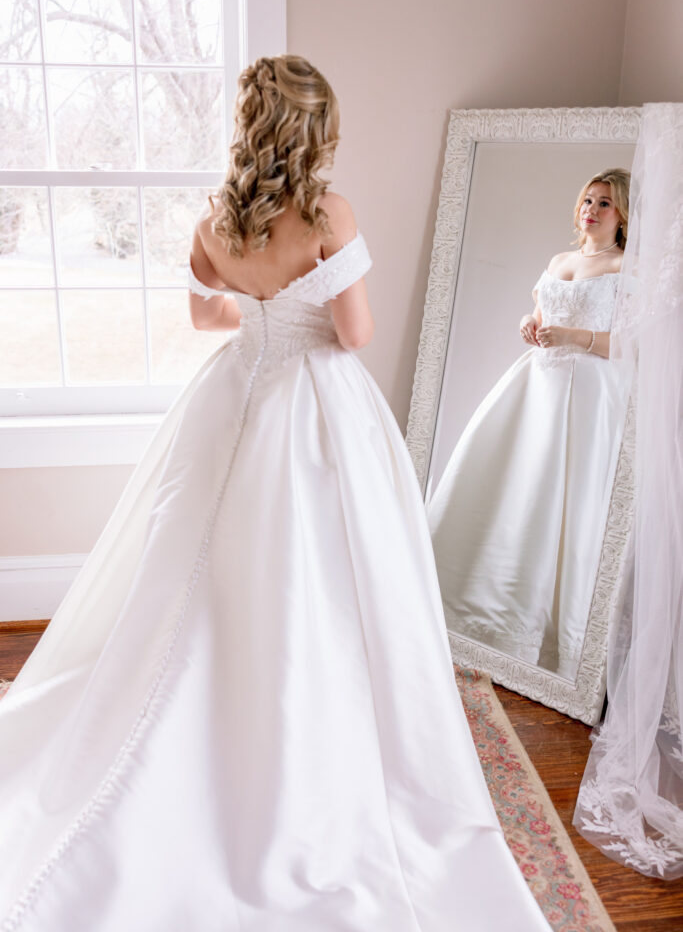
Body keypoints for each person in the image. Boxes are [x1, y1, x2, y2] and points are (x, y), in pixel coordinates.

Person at [0, 55, 550, 932]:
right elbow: (354, 331)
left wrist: (259, 307)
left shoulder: (217, 220)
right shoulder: (327, 213)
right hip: (315, 411)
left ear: (250, 122)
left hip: (232, 395)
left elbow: (206, 317)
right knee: (319, 577)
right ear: (316, 128)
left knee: (201, 570)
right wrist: (302, 298)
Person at [428, 168, 631, 680]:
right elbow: (541, 313)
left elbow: (629, 344)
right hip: (536, 386)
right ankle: (477, 605)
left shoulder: (626, 267)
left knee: (560, 497)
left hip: (584, 394)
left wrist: (574, 338)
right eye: (588, 198)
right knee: (510, 483)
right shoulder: (559, 260)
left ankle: (541, 633)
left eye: (604, 203)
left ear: (622, 213)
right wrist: (531, 322)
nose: (591, 209)